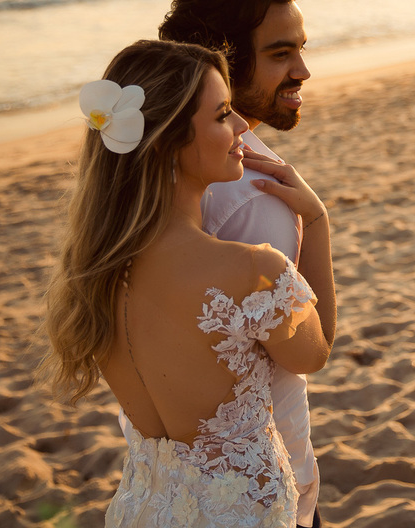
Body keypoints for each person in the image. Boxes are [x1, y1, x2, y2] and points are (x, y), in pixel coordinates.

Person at [41, 39, 333, 527]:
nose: (241, 126)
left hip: (140, 510)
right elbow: (315, 350)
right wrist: (317, 221)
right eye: (222, 115)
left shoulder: (91, 274)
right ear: (166, 143)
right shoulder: (253, 272)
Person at [159, 0, 335, 528]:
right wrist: (319, 223)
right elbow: (313, 347)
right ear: (225, 61)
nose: (303, 70)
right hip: (262, 489)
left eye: (301, 49)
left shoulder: (153, 174)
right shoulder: (256, 198)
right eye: (281, 53)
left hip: (172, 487)